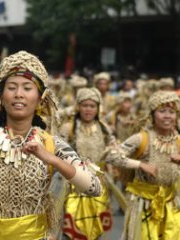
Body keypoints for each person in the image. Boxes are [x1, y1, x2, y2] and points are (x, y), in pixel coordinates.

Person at [0, 51, 102, 239]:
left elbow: (94, 188)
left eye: (27, 88)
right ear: (0, 96)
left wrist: (54, 160)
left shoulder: (52, 145)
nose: (19, 94)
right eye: (12, 88)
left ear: (41, 98)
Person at [106, 91, 180, 239]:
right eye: (162, 111)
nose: (167, 116)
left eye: (171, 112)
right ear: (152, 115)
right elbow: (112, 156)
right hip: (143, 203)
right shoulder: (141, 138)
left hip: (171, 203)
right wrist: (140, 165)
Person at [59, 87, 116, 239]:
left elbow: (115, 149)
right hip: (74, 185)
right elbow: (58, 152)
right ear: (78, 107)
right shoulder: (68, 128)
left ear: (98, 108)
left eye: (92, 106)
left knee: (95, 226)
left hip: (98, 184)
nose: (88, 109)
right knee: (72, 227)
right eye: (85, 105)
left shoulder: (104, 128)